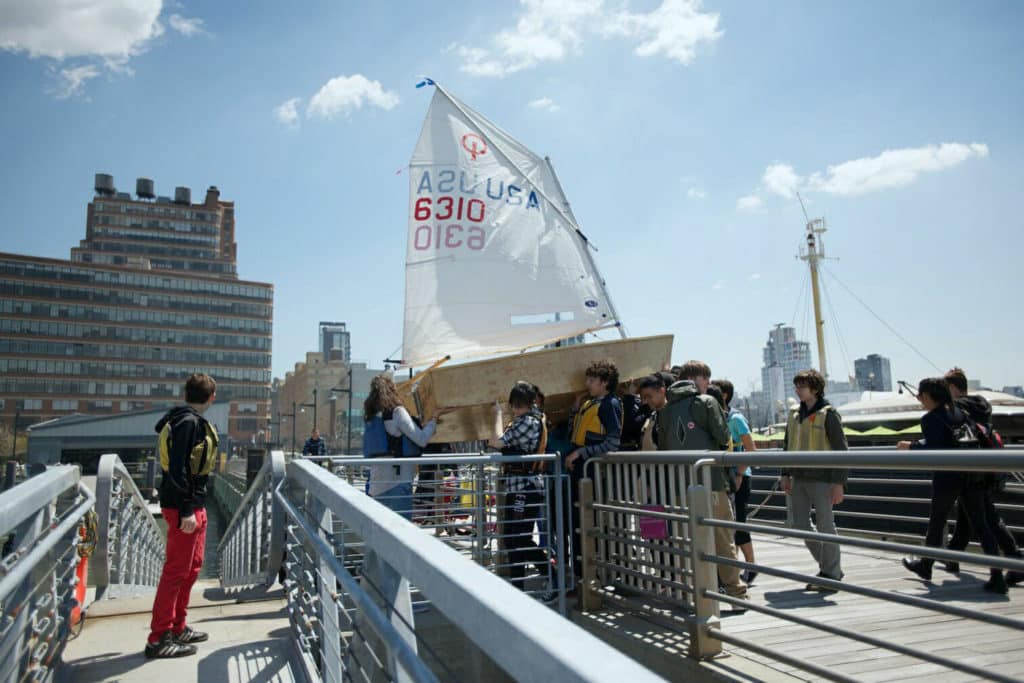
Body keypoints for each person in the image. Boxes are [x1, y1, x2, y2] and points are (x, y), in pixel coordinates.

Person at [898, 377, 1008, 593]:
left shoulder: (930, 419)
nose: (920, 400)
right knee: (982, 525)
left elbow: (937, 449)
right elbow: (951, 441)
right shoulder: (960, 413)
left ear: (929, 396)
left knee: (937, 522)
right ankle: (997, 576)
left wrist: (911, 447)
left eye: (921, 396)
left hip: (948, 477)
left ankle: (926, 565)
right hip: (972, 474)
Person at [658, 361, 748, 600]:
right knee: (723, 541)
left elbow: (664, 447)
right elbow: (723, 437)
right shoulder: (707, 402)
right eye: (706, 379)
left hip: (680, 486)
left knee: (685, 544)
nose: (709, 384)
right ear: (696, 380)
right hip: (712, 483)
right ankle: (736, 594)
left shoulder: (665, 411)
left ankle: (693, 595)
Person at [146, 373, 218, 659]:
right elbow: (177, 469)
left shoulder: (186, 419)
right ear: (211, 397)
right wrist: (187, 509)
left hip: (194, 504)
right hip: (182, 507)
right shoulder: (187, 423)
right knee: (176, 572)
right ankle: (158, 638)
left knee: (191, 569)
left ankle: (178, 626)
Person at [943, 368, 1024, 584]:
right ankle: (953, 555)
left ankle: (1013, 561)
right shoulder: (982, 404)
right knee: (968, 515)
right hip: (987, 466)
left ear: (952, 388)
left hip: (969, 469)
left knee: (987, 517)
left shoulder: (958, 408)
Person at [781, 369, 848, 592]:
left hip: (822, 479)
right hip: (799, 477)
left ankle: (830, 573)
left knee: (825, 525)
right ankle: (830, 568)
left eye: (802, 386)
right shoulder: (793, 414)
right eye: (797, 386)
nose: (798, 390)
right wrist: (785, 473)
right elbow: (787, 444)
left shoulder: (828, 413)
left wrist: (839, 482)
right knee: (800, 524)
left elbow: (841, 449)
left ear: (815, 389)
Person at [489, 382, 553, 600]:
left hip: (525, 487)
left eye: (516, 405)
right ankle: (518, 589)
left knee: (520, 538)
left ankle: (552, 577)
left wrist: (496, 416)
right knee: (511, 538)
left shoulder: (527, 422)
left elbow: (496, 442)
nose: (514, 409)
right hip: (517, 486)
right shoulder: (526, 420)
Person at [564, 360, 623, 583]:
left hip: (593, 473)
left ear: (604, 382)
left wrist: (582, 454)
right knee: (578, 523)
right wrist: (574, 412)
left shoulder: (609, 404)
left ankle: (593, 575)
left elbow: (613, 442)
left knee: (590, 522)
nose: (587, 384)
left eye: (591, 380)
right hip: (580, 470)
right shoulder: (590, 403)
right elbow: (574, 433)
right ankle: (581, 575)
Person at [362, 374, 446, 519]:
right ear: (392, 390)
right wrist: (433, 420)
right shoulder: (397, 412)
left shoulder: (372, 416)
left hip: (376, 485)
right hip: (398, 484)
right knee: (401, 532)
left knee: (381, 534)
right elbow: (421, 439)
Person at [713, 379, 758, 585]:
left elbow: (751, 450)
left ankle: (751, 565)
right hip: (724, 477)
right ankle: (737, 565)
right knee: (730, 524)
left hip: (740, 476)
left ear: (724, 396)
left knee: (739, 522)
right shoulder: (716, 418)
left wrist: (739, 475)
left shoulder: (736, 418)